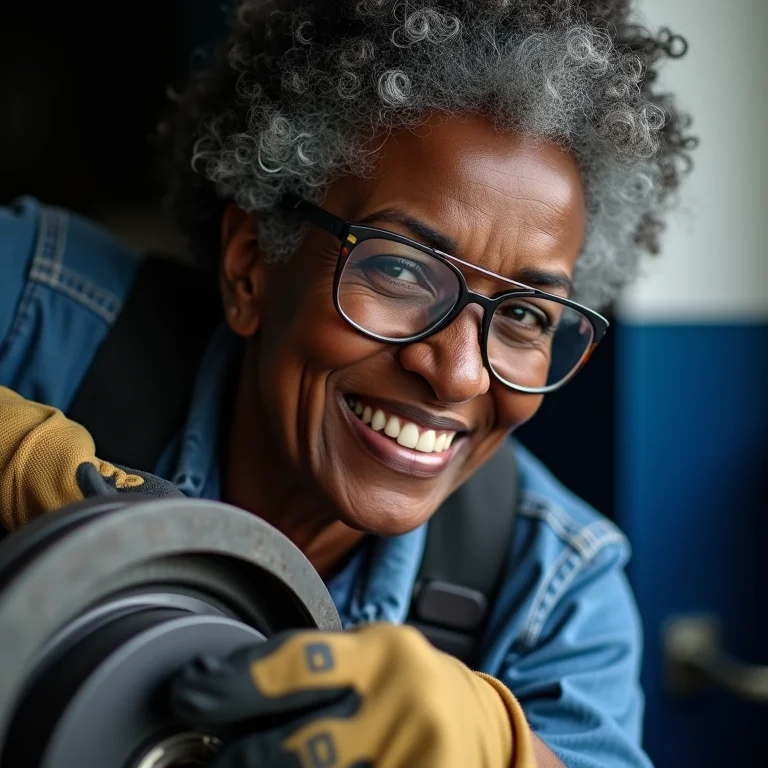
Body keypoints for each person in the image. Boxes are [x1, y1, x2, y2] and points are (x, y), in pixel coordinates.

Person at [0, 1, 696, 766]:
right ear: (250, 266)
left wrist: (502, 752)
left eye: (525, 314)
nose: (457, 371)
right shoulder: (38, 309)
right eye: (398, 268)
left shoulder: (554, 587)